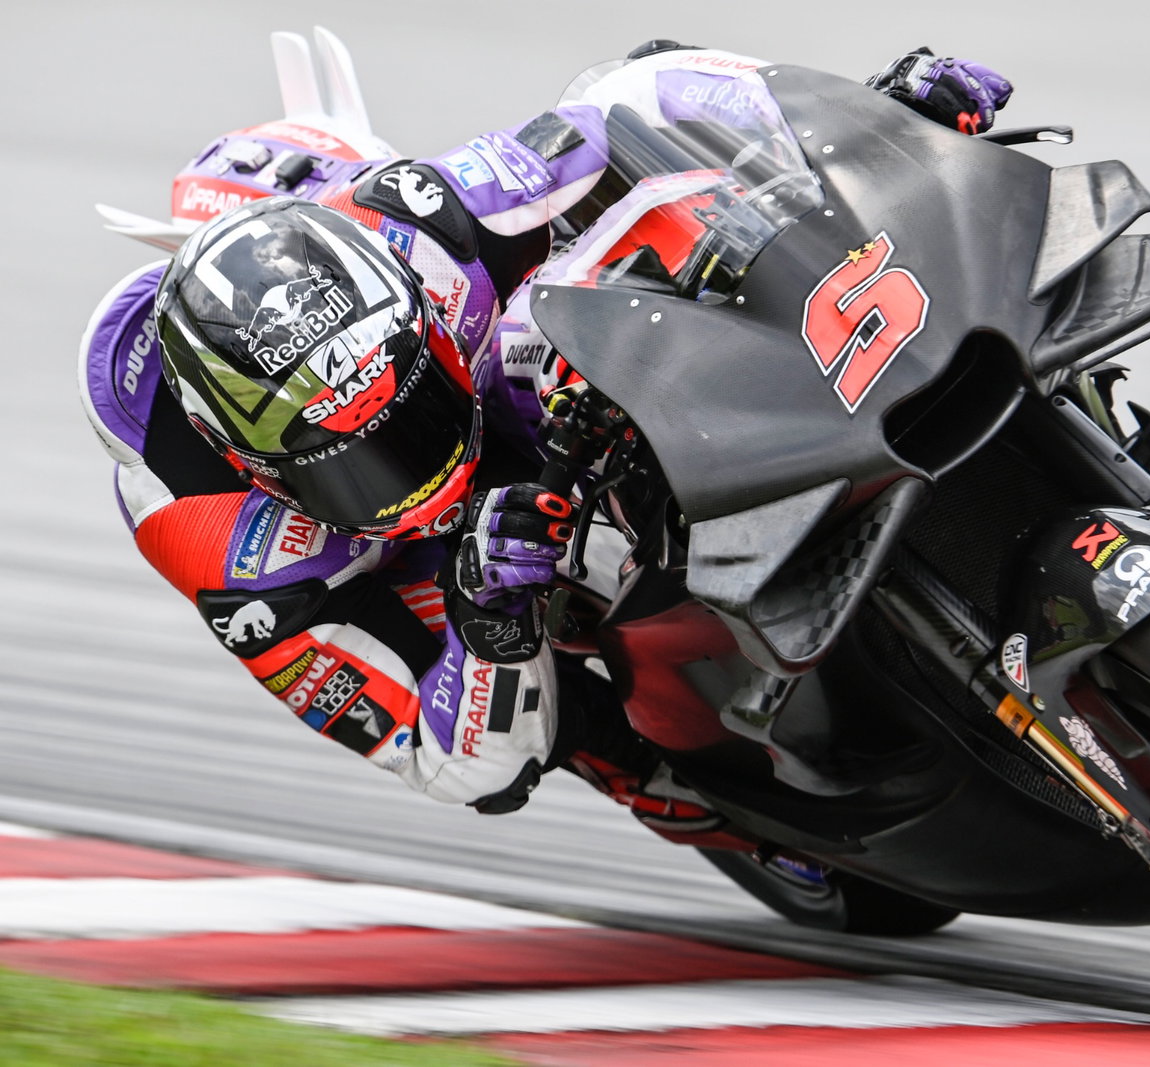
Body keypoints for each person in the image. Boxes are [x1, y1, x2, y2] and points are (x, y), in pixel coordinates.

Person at [78, 41, 1013, 828]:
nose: (405, 466)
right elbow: (443, 763)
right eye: (359, 459)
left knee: (630, 254)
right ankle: (713, 800)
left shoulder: (424, 217)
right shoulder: (207, 532)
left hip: (534, 398)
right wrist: (488, 625)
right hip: (430, 565)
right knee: (560, 738)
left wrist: (872, 126)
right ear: (236, 446)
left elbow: (629, 104)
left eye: (410, 421)